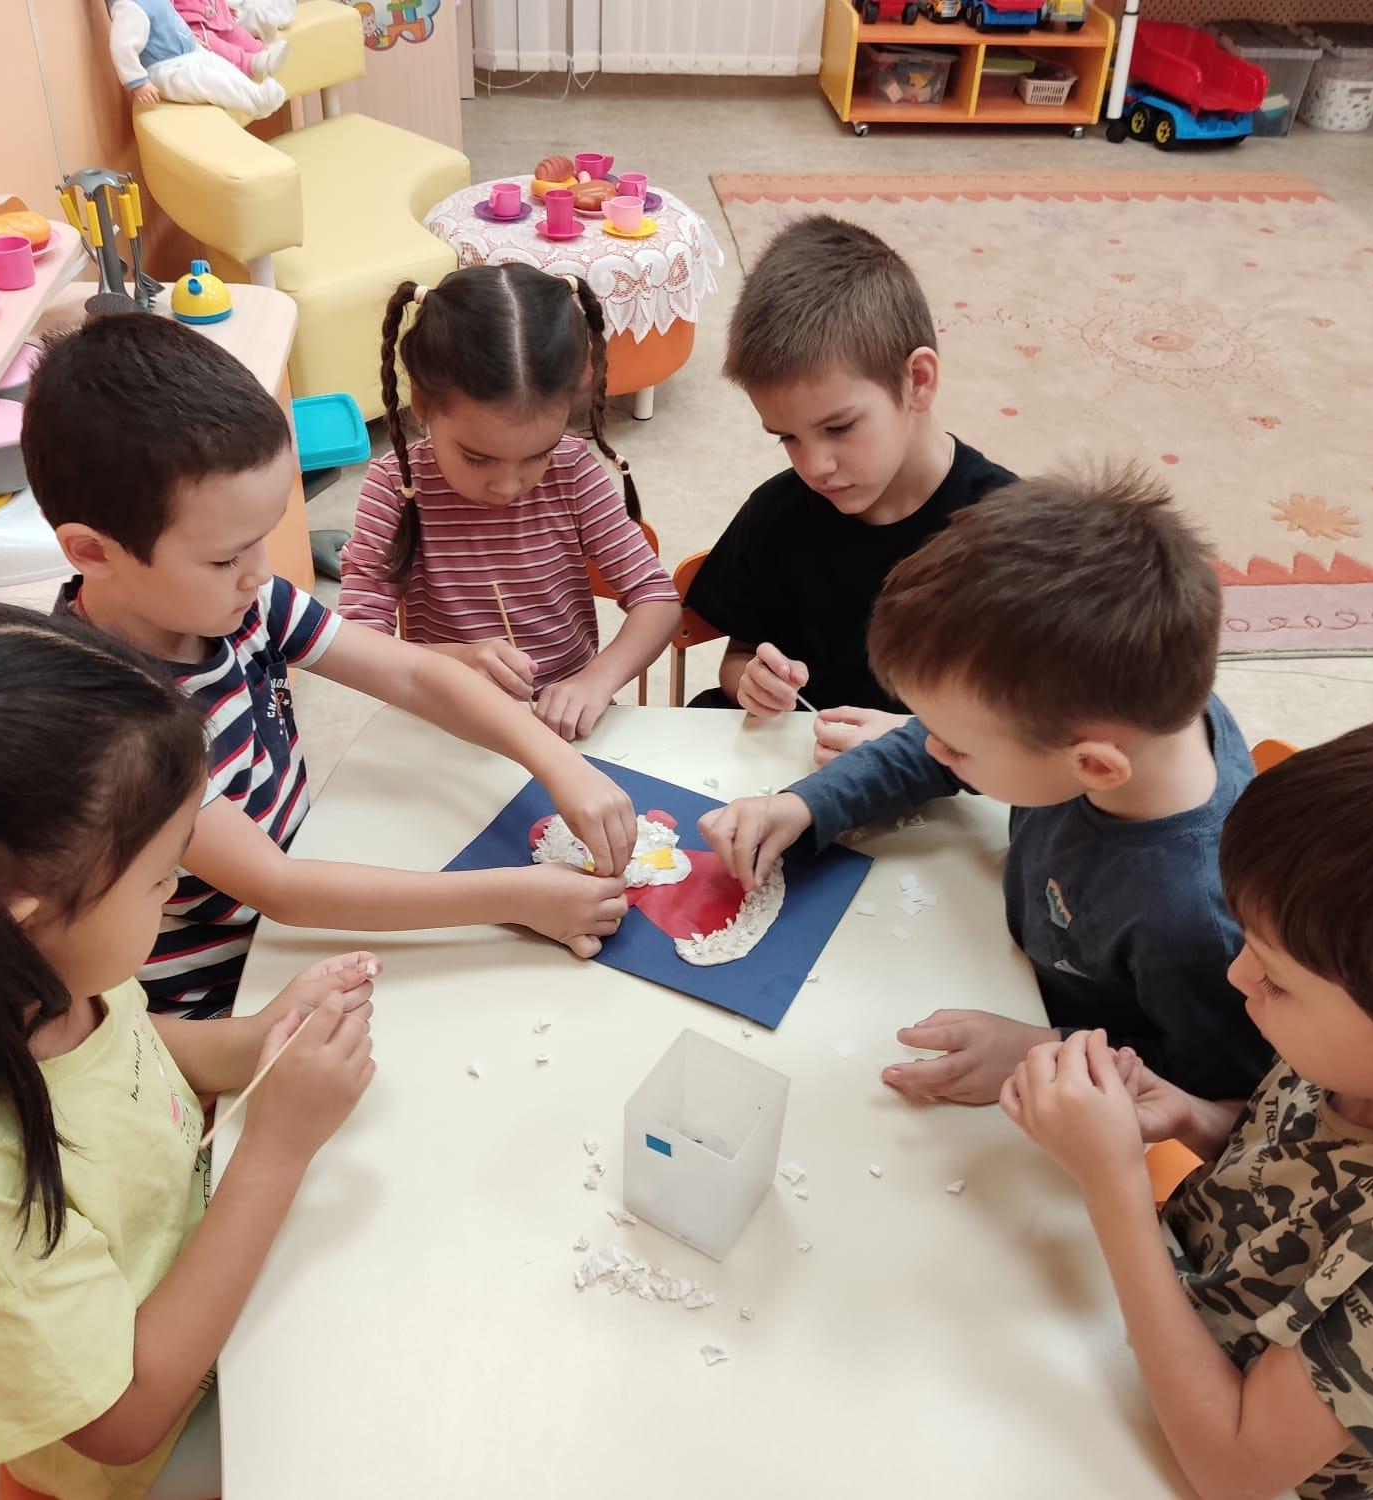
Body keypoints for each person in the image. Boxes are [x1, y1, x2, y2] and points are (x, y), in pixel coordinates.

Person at [0, 599, 376, 1500]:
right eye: (159, 876)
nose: (178, 885)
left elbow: (134, 1054)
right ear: (25, 920)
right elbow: (122, 1421)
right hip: (164, 1445)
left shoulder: (40, 972)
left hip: (228, 1277)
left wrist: (259, 1043)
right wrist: (275, 1150)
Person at [22, 315, 635, 1020]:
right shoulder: (109, 721)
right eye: (225, 557)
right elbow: (279, 889)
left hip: (304, 916)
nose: (261, 572)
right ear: (92, 552)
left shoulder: (242, 602)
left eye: (264, 538)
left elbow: (412, 674)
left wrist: (558, 764)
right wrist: (515, 897)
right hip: (221, 994)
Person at [699, 467, 1272, 1105]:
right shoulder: (1128, 712)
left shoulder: (1195, 922)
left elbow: (1215, 1084)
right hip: (990, 955)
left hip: (1049, 1070)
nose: (928, 744)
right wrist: (805, 804)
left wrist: (1041, 1051)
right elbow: (938, 745)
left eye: (957, 745)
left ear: (1093, 768)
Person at [1002, 723, 1373, 1500]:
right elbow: (1297, 1172)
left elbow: (1233, 1468)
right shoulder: (1341, 1054)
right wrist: (1189, 1117)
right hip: (1162, 1315)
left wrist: (1112, 1184)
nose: (1239, 976)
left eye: (1278, 977)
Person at [682, 214, 1014, 770]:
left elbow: (1037, 731)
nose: (815, 466)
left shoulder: (1010, 536)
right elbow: (738, 659)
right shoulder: (778, 514)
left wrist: (914, 741)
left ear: (918, 381)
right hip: (786, 778)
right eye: (787, 437)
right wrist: (752, 683)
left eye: (839, 427)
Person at [338, 265, 681, 744]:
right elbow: (356, 645)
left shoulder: (571, 471)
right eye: (478, 458)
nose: (507, 485)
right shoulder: (396, 487)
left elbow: (658, 601)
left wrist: (595, 682)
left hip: (564, 727)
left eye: (538, 453)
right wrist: (456, 661)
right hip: (449, 725)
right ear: (423, 403)